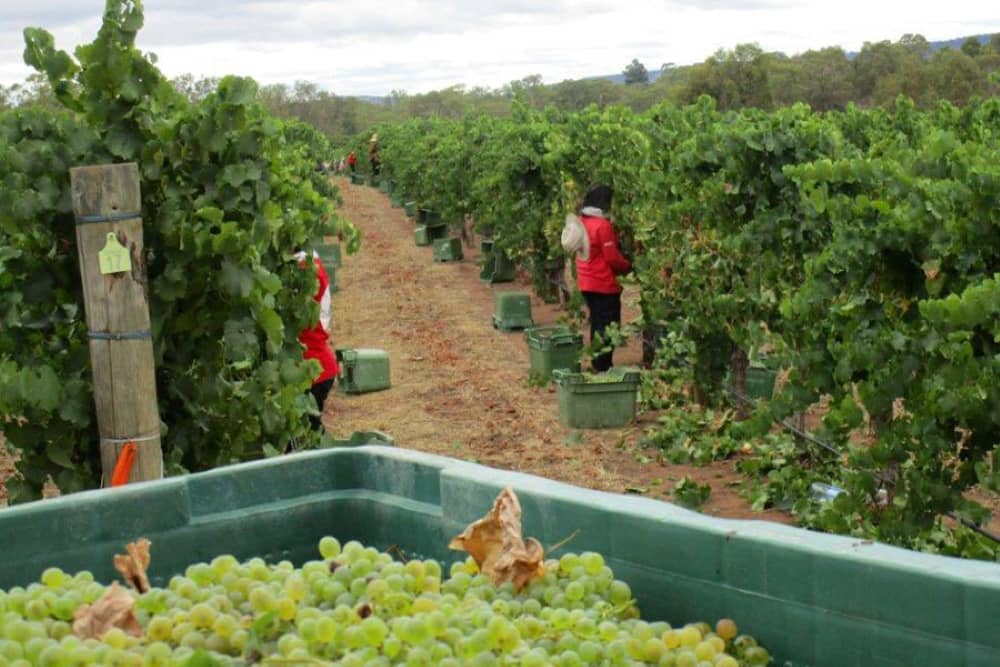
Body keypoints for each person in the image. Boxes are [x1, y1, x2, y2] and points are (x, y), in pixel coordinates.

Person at [574, 183, 631, 372]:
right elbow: (612, 257)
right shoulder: (602, 226)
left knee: (597, 323)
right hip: (602, 283)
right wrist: (628, 266)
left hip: (586, 282)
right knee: (608, 326)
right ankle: (603, 366)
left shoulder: (581, 221)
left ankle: (598, 363)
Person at [296, 249, 338, 431]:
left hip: (314, 370)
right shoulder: (313, 264)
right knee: (309, 431)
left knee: (309, 432)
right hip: (318, 367)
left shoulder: (305, 270)